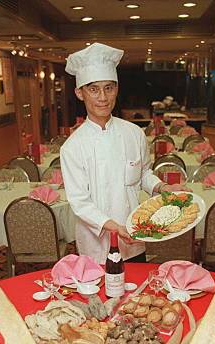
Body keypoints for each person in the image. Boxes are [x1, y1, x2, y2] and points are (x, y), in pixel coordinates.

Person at [60, 43, 186, 265]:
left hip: (134, 235)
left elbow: (143, 173)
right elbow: (80, 202)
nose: (103, 97)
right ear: (80, 93)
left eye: (109, 88)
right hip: (96, 244)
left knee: (137, 295)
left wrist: (162, 188)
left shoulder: (133, 133)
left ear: (117, 89)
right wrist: (115, 228)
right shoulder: (72, 147)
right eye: (94, 89)